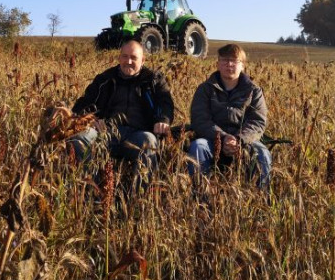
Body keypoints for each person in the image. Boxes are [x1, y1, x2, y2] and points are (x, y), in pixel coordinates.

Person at [68, 40, 174, 190]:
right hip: (105, 133)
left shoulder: (153, 80)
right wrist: (90, 119)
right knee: (79, 138)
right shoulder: (105, 79)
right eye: (125, 56)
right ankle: (95, 191)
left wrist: (163, 120)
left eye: (133, 57)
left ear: (143, 60)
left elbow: (166, 103)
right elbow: (82, 104)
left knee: (149, 142)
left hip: (138, 135)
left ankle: (138, 198)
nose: (128, 61)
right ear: (119, 58)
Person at [188, 43, 272, 191]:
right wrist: (223, 137)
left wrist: (239, 139)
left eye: (234, 60)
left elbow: (257, 122)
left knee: (262, 153)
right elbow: (200, 119)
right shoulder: (205, 89)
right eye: (225, 60)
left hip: (244, 142)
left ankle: (261, 198)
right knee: (197, 147)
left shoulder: (254, 91)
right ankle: (200, 198)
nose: (229, 64)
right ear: (218, 64)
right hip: (211, 140)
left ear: (242, 65)